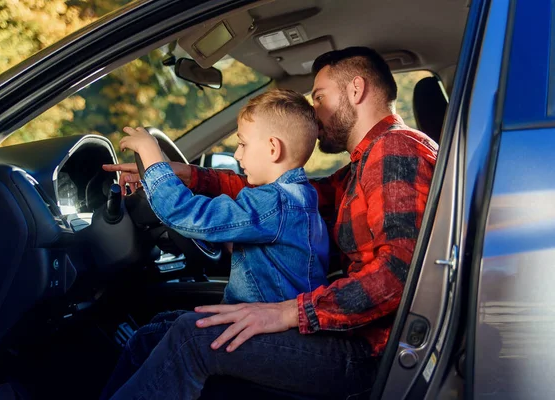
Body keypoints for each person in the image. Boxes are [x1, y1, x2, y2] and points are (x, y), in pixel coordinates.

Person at [101, 46, 438, 400]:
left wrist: (289, 312)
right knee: (153, 334)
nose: (314, 112)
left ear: (356, 90)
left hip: (365, 356)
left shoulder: (396, 150)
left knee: (191, 336)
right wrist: (189, 176)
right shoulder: (363, 164)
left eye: (320, 97)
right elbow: (279, 198)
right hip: (346, 338)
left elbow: (401, 272)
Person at [119, 88, 330, 305]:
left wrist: (151, 156)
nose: (237, 155)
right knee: (167, 326)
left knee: (161, 334)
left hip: (262, 328)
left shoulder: (274, 202)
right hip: (263, 318)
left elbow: (188, 214)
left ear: (273, 149)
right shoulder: (301, 197)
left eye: (242, 144)